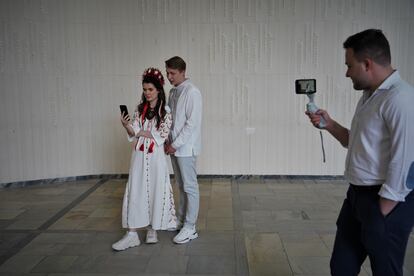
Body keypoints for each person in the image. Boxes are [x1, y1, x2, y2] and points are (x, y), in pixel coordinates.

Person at [306, 29, 414, 276]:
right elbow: (357, 142)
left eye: (349, 65)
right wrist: (330, 124)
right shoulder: (369, 96)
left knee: (385, 270)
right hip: (357, 197)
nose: (346, 72)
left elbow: (406, 164)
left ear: (367, 64)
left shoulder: (401, 100)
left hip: (386, 202)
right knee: (341, 267)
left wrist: (380, 212)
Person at [112, 67, 177, 251]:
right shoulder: (139, 109)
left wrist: (139, 131)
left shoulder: (165, 111)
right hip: (139, 157)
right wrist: (126, 126)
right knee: (136, 190)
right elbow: (133, 133)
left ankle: (152, 228)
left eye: (150, 89)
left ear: (158, 89)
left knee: (155, 190)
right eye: (144, 89)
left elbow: (160, 135)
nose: (147, 93)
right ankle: (131, 234)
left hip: (156, 159)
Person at [164, 56, 202, 244]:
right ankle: (180, 221)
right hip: (174, 147)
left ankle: (190, 227)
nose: (169, 77)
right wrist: (166, 139)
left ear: (182, 72)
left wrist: (175, 144)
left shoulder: (192, 92)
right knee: (181, 186)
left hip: (186, 148)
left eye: (172, 73)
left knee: (190, 187)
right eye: (167, 73)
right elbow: (171, 120)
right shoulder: (173, 92)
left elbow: (191, 124)